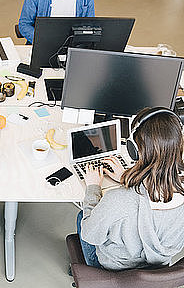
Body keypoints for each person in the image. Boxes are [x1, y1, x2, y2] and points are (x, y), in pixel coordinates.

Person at [77, 107, 184, 270]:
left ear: (134, 148)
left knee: (81, 217)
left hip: (114, 271)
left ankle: (93, 272)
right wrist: (126, 178)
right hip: (158, 271)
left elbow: (89, 234)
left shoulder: (117, 200)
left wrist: (92, 188)